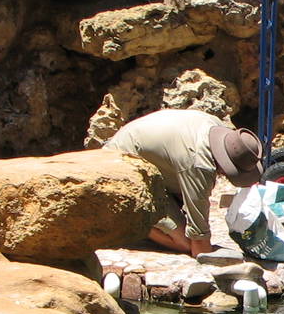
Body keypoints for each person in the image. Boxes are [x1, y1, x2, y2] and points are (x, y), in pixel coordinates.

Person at [104, 109, 262, 256]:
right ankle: (134, 223)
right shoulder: (199, 164)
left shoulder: (215, 126)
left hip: (136, 154)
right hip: (122, 170)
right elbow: (200, 249)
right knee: (185, 243)